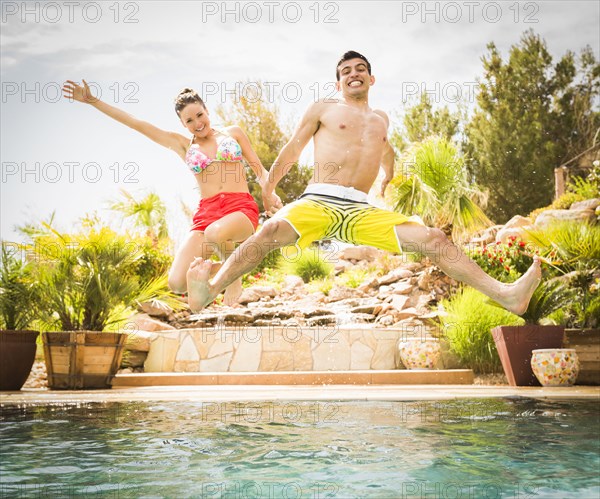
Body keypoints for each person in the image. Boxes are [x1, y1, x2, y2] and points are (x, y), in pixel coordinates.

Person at [186, 50, 541, 313]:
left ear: (372, 79)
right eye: (346, 72)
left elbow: (386, 151)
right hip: (320, 200)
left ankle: (507, 295)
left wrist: (389, 176)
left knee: (433, 237)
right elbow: (293, 148)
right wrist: (268, 186)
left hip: (360, 209)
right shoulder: (324, 108)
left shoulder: (381, 120)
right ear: (338, 83)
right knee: (268, 232)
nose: (353, 74)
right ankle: (211, 289)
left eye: (360, 70)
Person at [62, 81, 281, 305]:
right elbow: (136, 123)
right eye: (189, 121)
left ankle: (232, 279)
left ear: (206, 110)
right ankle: (234, 265)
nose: (197, 123)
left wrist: (270, 192)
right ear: (182, 124)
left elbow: (259, 170)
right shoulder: (183, 145)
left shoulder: (232, 133)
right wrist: (92, 100)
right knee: (177, 282)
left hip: (239, 210)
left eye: (199, 115)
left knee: (215, 234)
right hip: (207, 214)